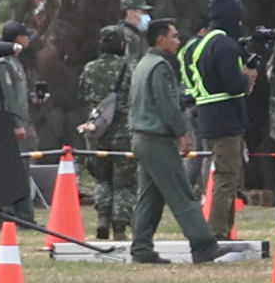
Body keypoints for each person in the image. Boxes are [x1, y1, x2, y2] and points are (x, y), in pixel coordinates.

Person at [171, 0, 260, 260]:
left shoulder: (194, 45)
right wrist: (249, 77)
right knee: (226, 177)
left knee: (218, 174)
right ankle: (218, 233)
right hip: (226, 116)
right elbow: (235, 85)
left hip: (204, 114)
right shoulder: (224, 45)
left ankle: (223, 228)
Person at [124, 15, 218, 263]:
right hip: (156, 138)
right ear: (160, 39)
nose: (178, 41)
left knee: (150, 196)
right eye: (174, 36)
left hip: (142, 137)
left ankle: (141, 248)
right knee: (181, 193)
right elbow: (167, 105)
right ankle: (203, 244)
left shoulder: (144, 64)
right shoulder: (160, 67)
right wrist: (183, 133)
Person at [75, 22, 140, 248]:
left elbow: (84, 94)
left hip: (97, 131)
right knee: (124, 182)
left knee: (102, 178)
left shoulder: (90, 68)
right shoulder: (130, 67)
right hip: (124, 131)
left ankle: (102, 217)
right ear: (122, 44)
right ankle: (120, 228)